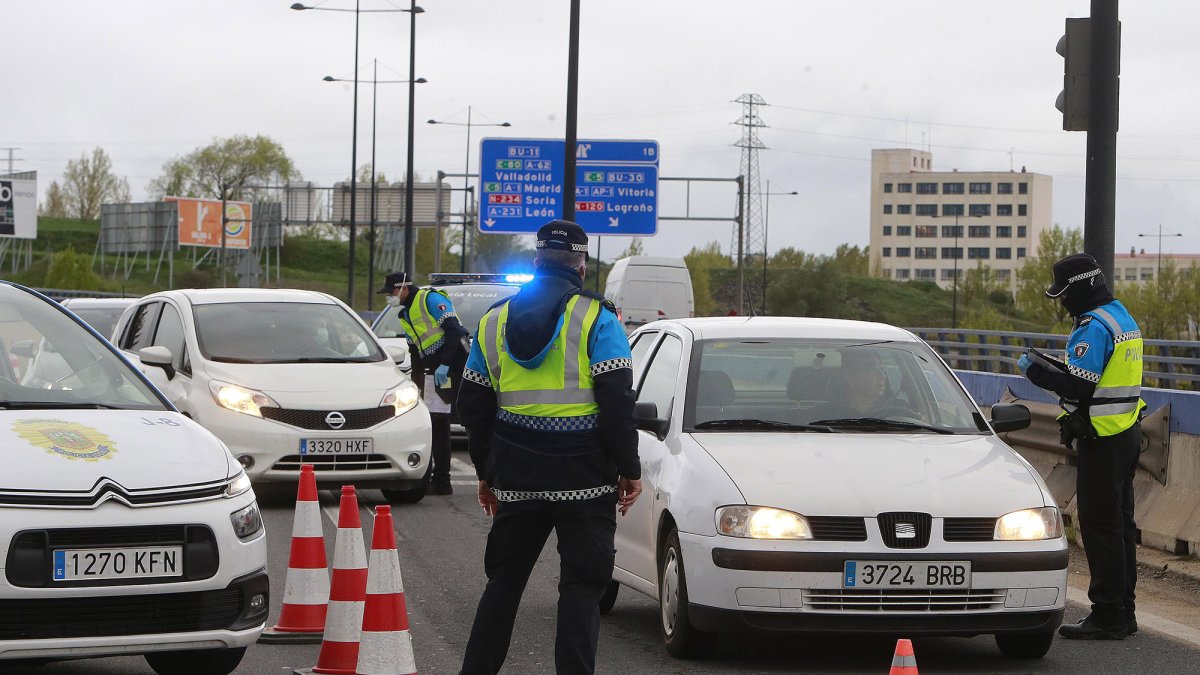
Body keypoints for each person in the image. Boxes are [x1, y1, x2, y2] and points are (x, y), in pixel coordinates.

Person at [457, 220, 642, 675]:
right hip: (584, 481)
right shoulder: (598, 317)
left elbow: (473, 407)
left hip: (517, 477)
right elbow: (617, 401)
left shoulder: (494, 319)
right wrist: (629, 467)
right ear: (581, 266)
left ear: (536, 262)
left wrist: (486, 473)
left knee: (503, 586)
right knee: (581, 591)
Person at [1018, 253, 1146, 640]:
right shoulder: (1122, 317)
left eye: (1065, 294)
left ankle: (1107, 615)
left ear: (1083, 286)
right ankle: (1124, 611)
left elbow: (1081, 386)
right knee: (1121, 525)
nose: (1063, 302)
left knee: (1099, 526)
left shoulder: (1093, 325)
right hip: (1127, 432)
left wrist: (1037, 372)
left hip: (1103, 438)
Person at [378, 271, 469, 495]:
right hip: (435, 372)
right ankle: (441, 480)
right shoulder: (406, 315)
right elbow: (415, 351)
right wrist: (414, 383)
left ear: (404, 288)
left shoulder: (430, 299)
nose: (388, 297)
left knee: (454, 423)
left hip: (454, 367)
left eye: (390, 292)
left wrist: (445, 364)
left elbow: (454, 332)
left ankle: (446, 481)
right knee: (437, 423)